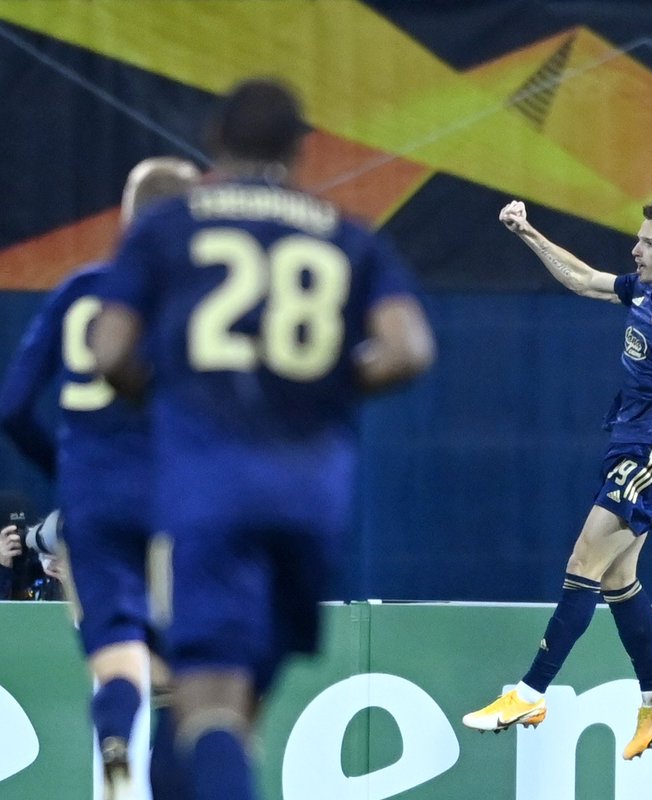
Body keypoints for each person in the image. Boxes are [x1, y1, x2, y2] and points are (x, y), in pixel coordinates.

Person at [91, 78, 436, 800]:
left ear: (215, 138)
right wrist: (319, 387)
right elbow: (408, 349)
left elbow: (110, 349)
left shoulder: (168, 227)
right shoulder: (343, 233)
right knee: (241, 709)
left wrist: (171, 395)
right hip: (312, 493)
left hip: (214, 484)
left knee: (208, 706)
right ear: (302, 149)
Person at [462, 200, 652, 760]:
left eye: (649, 243)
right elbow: (584, 280)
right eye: (638, 239)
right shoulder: (646, 291)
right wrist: (527, 232)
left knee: (582, 564)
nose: (636, 250)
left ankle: (528, 694)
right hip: (626, 443)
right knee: (617, 580)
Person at [0, 156, 199, 799]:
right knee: (185, 678)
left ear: (126, 217)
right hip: (170, 497)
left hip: (93, 501)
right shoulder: (201, 298)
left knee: (117, 654)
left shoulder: (82, 289)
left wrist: (68, 473)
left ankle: (115, 742)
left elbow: (12, 408)